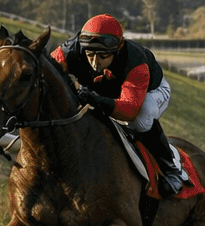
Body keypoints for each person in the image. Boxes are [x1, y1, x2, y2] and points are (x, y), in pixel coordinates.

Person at [52, 14, 189, 197]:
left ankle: (171, 169)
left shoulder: (134, 60)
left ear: (119, 48)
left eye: (103, 56)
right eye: (90, 54)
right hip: (105, 92)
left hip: (150, 92)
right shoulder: (70, 50)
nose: (94, 62)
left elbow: (129, 110)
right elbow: (48, 70)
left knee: (141, 119)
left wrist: (95, 100)